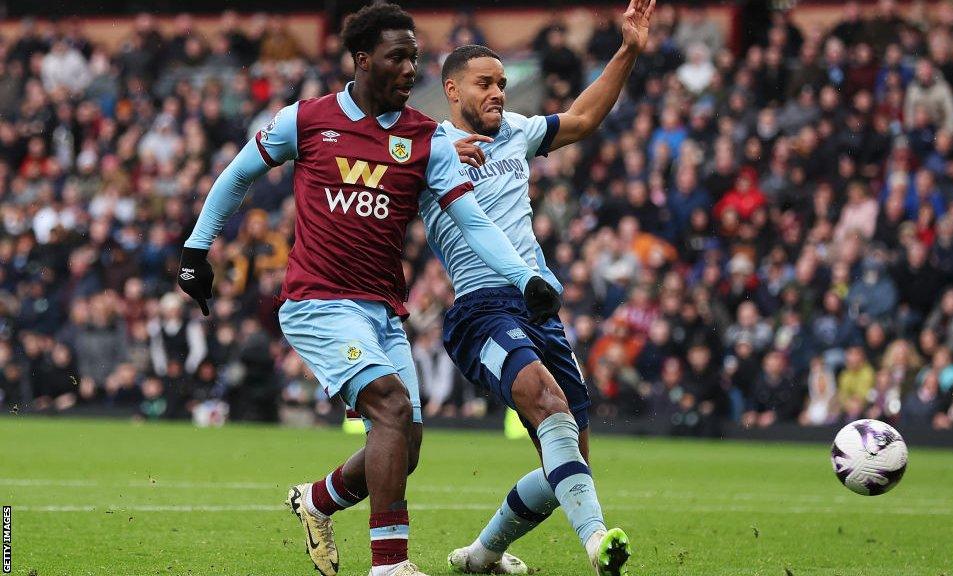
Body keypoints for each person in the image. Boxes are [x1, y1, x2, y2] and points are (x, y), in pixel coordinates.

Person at [175, 5, 561, 576]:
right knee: (391, 407)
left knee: (406, 447)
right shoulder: (304, 121)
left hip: (383, 309)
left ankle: (316, 501)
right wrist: (195, 250)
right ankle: (389, 565)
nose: (411, 69)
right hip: (317, 301)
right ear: (362, 60)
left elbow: (474, 221)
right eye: (397, 57)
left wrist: (525, 276)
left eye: (415, 57)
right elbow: (236, 177)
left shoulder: (425, 139)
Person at [425, 1, 655, 574]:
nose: (498, 93)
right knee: (550, 408)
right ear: (452, 90)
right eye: (485, 84)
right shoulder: (425, 149)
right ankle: (598, 542)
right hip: (482, 309)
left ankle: (483, 554)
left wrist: (627, 51)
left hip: (539, 307)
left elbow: (582, 120)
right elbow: (371, 158)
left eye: (503, 82)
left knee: (568, 465)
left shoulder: (518, 134)